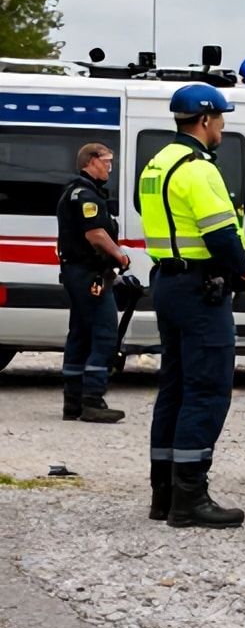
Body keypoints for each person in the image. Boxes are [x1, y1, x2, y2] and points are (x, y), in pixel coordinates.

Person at [139, 84, 245, 528]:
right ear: (205, 121)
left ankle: (164, 494)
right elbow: (221, 235)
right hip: (200, 287)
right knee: (206, 390)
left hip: (168, 281)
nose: (223, 125)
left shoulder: (156, 164)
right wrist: (242, 272)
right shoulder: (199, 169)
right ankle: (190, 497)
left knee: (175, 387)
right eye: (221, 118)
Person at [56, 142, 130, 424]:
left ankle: (72, 403)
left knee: (80, 334)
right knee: (104, 334)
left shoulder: (76, 192)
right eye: (107, 161)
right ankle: (93, 400)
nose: (110, 166)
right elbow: (96, 234)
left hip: (78, 273)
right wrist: (120, 256)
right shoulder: (85, 196)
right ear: (91, 161)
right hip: (88, 274)